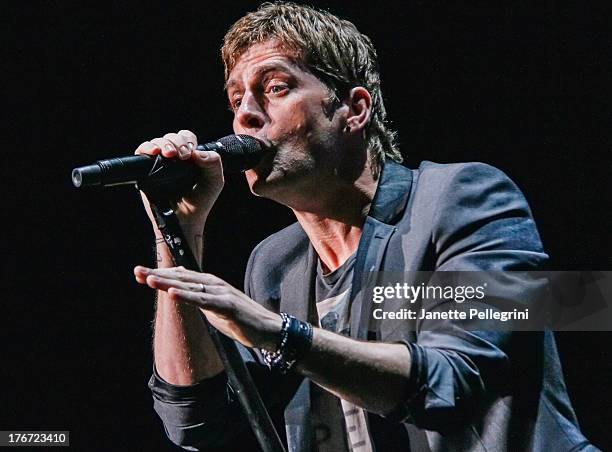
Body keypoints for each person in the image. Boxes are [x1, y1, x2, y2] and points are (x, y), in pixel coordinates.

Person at [132, 3, 596, 451]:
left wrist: (277, 333)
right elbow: (198, 420)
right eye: (236, 99)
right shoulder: (275, 266)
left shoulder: (461, 199)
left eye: (274, 87)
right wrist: (177, 230)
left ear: (354, 109)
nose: (245, 116)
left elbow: (453, 378)